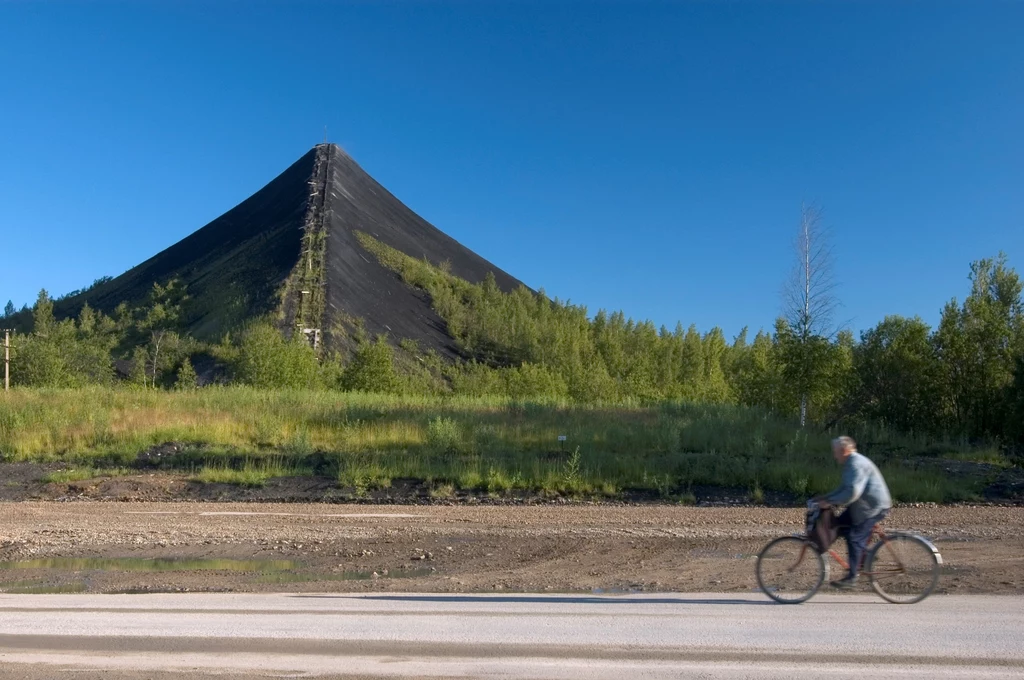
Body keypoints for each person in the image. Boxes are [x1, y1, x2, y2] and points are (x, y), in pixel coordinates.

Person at [814, 436, 892, 589]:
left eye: (835, 452)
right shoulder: (850, 463)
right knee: (839, 526)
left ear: (843, 451)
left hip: (873, 507)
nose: (834, 455)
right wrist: (826, 498)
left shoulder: (856, 464)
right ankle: (866, 556)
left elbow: (852, 492)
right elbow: (844, 489)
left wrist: (831, 502)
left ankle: (852, 577)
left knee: (854, 537)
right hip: (862, 506)